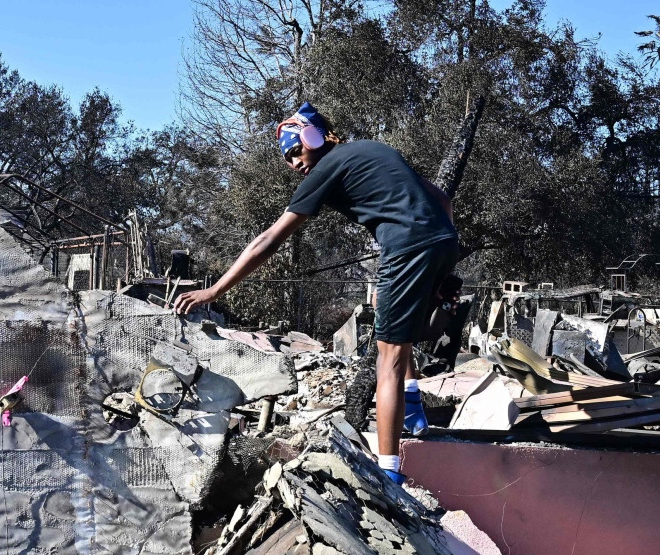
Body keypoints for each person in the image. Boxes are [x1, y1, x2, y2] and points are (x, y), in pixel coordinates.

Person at [173, 102, 457, 485]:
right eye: (288, 160)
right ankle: (412, 406)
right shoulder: (374, 149)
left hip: (405, 249)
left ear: (314, 138)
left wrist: (216, 289)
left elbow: (269, 240)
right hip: (442, 241)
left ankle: (390, 476)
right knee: (389, 322)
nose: (293, 165)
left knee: (385, 360)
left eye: (295, 152)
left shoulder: (327, 166)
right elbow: (443, 200)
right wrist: (438, 250)